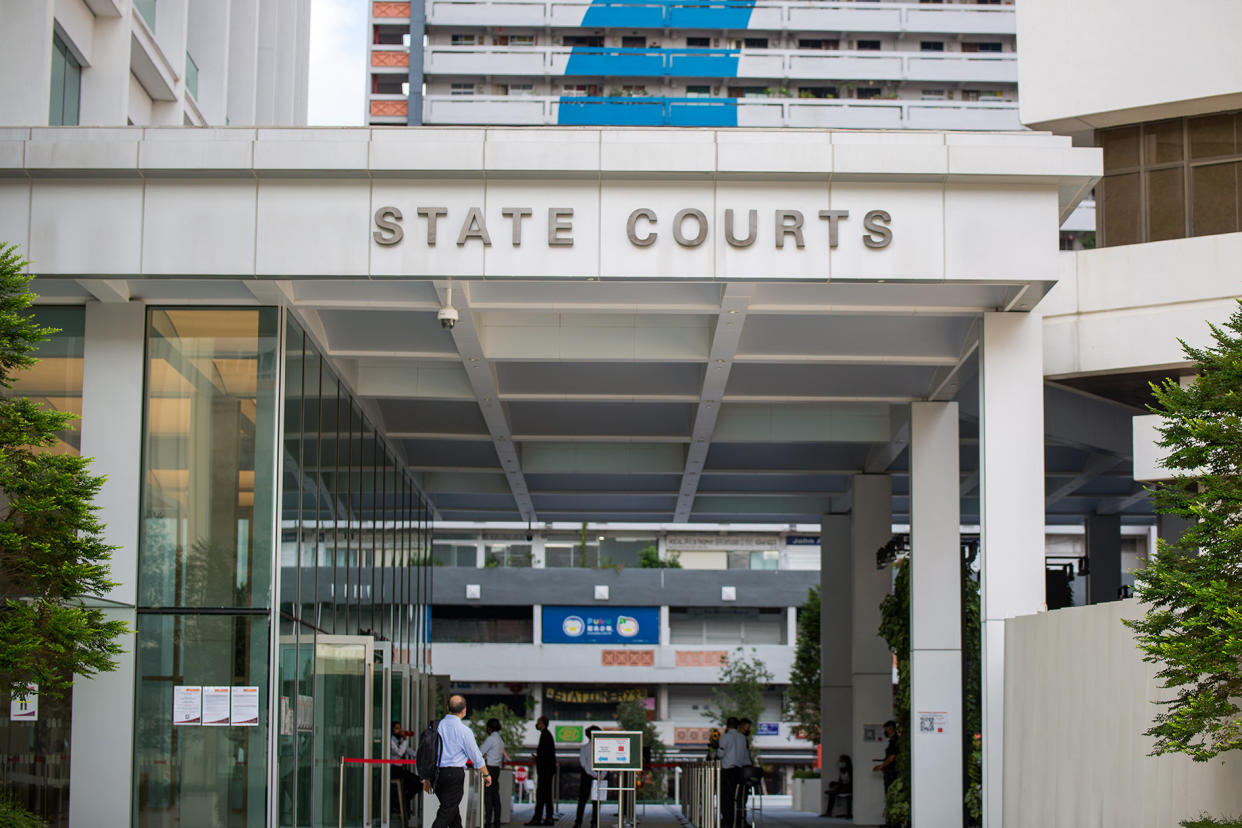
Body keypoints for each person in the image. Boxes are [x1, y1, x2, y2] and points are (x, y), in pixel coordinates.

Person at [426, 696, 493, 828]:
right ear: (464, 710)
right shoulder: (464, 731)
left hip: (436, 775)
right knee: (446, 812)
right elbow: (476, 757)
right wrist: (486, 774)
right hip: (454, 775)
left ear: (447, 708)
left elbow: (428, 753)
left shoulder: (435, 727)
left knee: (452, 813)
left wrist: (427, 777)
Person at [717, 717, 748, 828]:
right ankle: (738, 821)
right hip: (739, 771)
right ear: (737, 725)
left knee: (726, 798)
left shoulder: (725, 737)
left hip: (727, 771)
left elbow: (720, 754)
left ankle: (727, 822)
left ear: (727, 725)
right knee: (738, 798)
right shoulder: (742, 738)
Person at [526, 715, 557, 826]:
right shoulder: (547, 735)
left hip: (545, 771)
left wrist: (537, 758)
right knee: (547, 796)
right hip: (548, 770)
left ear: (542, 724)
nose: (537, 725)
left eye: (538, 723)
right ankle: (549, 818)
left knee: (541, 795)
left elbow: (545, 755)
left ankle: (537, 818)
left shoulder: (545, 736)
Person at [480, 718, 510, 828]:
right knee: (496, 796)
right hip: (497, 769)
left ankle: (487, 822)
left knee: (488, 797)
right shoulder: (500, 740)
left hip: (489, 769)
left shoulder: (491, 739)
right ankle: (497, 821)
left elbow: (480, 752)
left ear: (489, 728)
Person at [573, 725, 604, 828]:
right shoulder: (604, 747)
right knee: (597, 801)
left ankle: (578, 822)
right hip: (600, 777)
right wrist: (601, 775)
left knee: (582, 799)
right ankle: (594, 823)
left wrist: (591, 773)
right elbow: (607, 763)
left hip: (587, 776)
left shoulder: (584, 748)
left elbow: (583, 763)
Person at [391, 721, 421, 820]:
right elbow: (399, 752)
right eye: (396, 728)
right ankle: (399, 804)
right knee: (413, 781)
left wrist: (422, 755)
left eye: (399, 728)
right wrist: (405, 739)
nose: (399, 730)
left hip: (400, 769)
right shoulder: (390, 740)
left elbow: (408, 750)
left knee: (417, 783)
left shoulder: (400, 740)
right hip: (393, 769)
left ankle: (403, 801)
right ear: (391, 730)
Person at [872, 721, 899, 793]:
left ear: (891, 729)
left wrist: (882, 766)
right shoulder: (893, 741)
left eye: (886, 730)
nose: (885, 732)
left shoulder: (894, 741)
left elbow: (892, 757)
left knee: (891, 793)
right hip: (891, 772)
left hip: (892, 774)